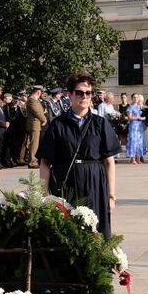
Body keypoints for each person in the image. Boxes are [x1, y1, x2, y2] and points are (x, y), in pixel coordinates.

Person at [37, 72, 120, 237]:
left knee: (96, 233)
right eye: (79, 92)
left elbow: (109, 162)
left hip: (95, 186)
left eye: (88, 93)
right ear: (70, 95)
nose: (84, 96)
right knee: (66, 234)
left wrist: (111, 196)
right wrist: (44, 193)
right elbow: (45, 162)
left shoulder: (101, 124)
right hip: (66, 186)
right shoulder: (58, 125)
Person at [23, 85, 48, 169]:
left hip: (36, 124)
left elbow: (41, 110)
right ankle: (32, 162)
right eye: (41, 92)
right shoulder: (32, 100)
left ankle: (34, 160)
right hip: (34, 125)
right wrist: (44, 119)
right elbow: (37, 111)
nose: (41, 94)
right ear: (38, 92)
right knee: (34, 143)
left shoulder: (35, 100)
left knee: (35, 143)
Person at [124, 93, 148, 164]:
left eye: (137, 97)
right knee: (133, 142)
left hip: (140, 126)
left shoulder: (140, 107)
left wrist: (144, 119)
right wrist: (138, 117)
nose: (136, 99)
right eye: (134, 97)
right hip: (133, 126)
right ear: (132, 98)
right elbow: (129, 117)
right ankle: (133, 158)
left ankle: (138, 158)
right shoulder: (130, 107)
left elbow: (145, 115)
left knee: (139, 142)